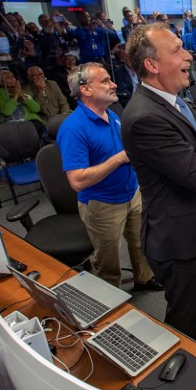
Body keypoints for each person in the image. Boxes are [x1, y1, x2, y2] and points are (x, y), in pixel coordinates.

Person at [121, 23, 196, 342]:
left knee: (188, 305)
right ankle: (183, 362)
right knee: (182, 317)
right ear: (152, 65)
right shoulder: (146, 117)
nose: (189, 55)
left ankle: (189, 347)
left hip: (188, 230)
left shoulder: (170, 99)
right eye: (177, 49)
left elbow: (191, 149)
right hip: (176, 239)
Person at [58, 62, 160, 291]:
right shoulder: (74, 128)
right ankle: (110, 296)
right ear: (85, 90)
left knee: (140, 242)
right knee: (108, 260)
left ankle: (144, 278)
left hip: (131, 193)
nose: (114, 84)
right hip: (102, 205)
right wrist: (120, 159)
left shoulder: (111, 114)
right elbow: (77, 180)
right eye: (105, 81)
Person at [0, 69, 43, 134]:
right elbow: (6, 112)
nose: (12, 79)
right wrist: (16, 95)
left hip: (30, 120)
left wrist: (22, 95)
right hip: (12, 123)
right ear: (1, 82)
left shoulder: (22, 90)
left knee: (35, 126)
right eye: (8, 78)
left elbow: (36, 108)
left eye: (13, 77)